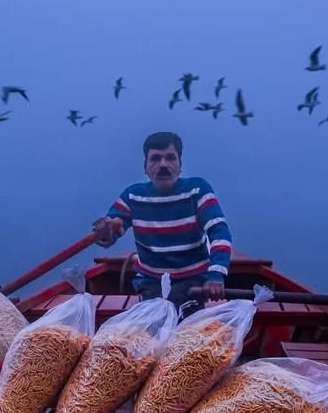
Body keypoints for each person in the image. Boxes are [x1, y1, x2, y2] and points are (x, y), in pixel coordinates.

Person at [92, 131, 232, 316]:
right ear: (145, 166)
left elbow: (219, 233)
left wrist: (215, 275)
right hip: (150, 281)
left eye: (170, 158)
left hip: (191, 280)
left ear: (180, 165)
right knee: (154, 321)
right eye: (155, 159)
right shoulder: (133, 195)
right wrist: (106, 228)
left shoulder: (197, 190)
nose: (163, 165)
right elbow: (112, 229)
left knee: (178, 309)